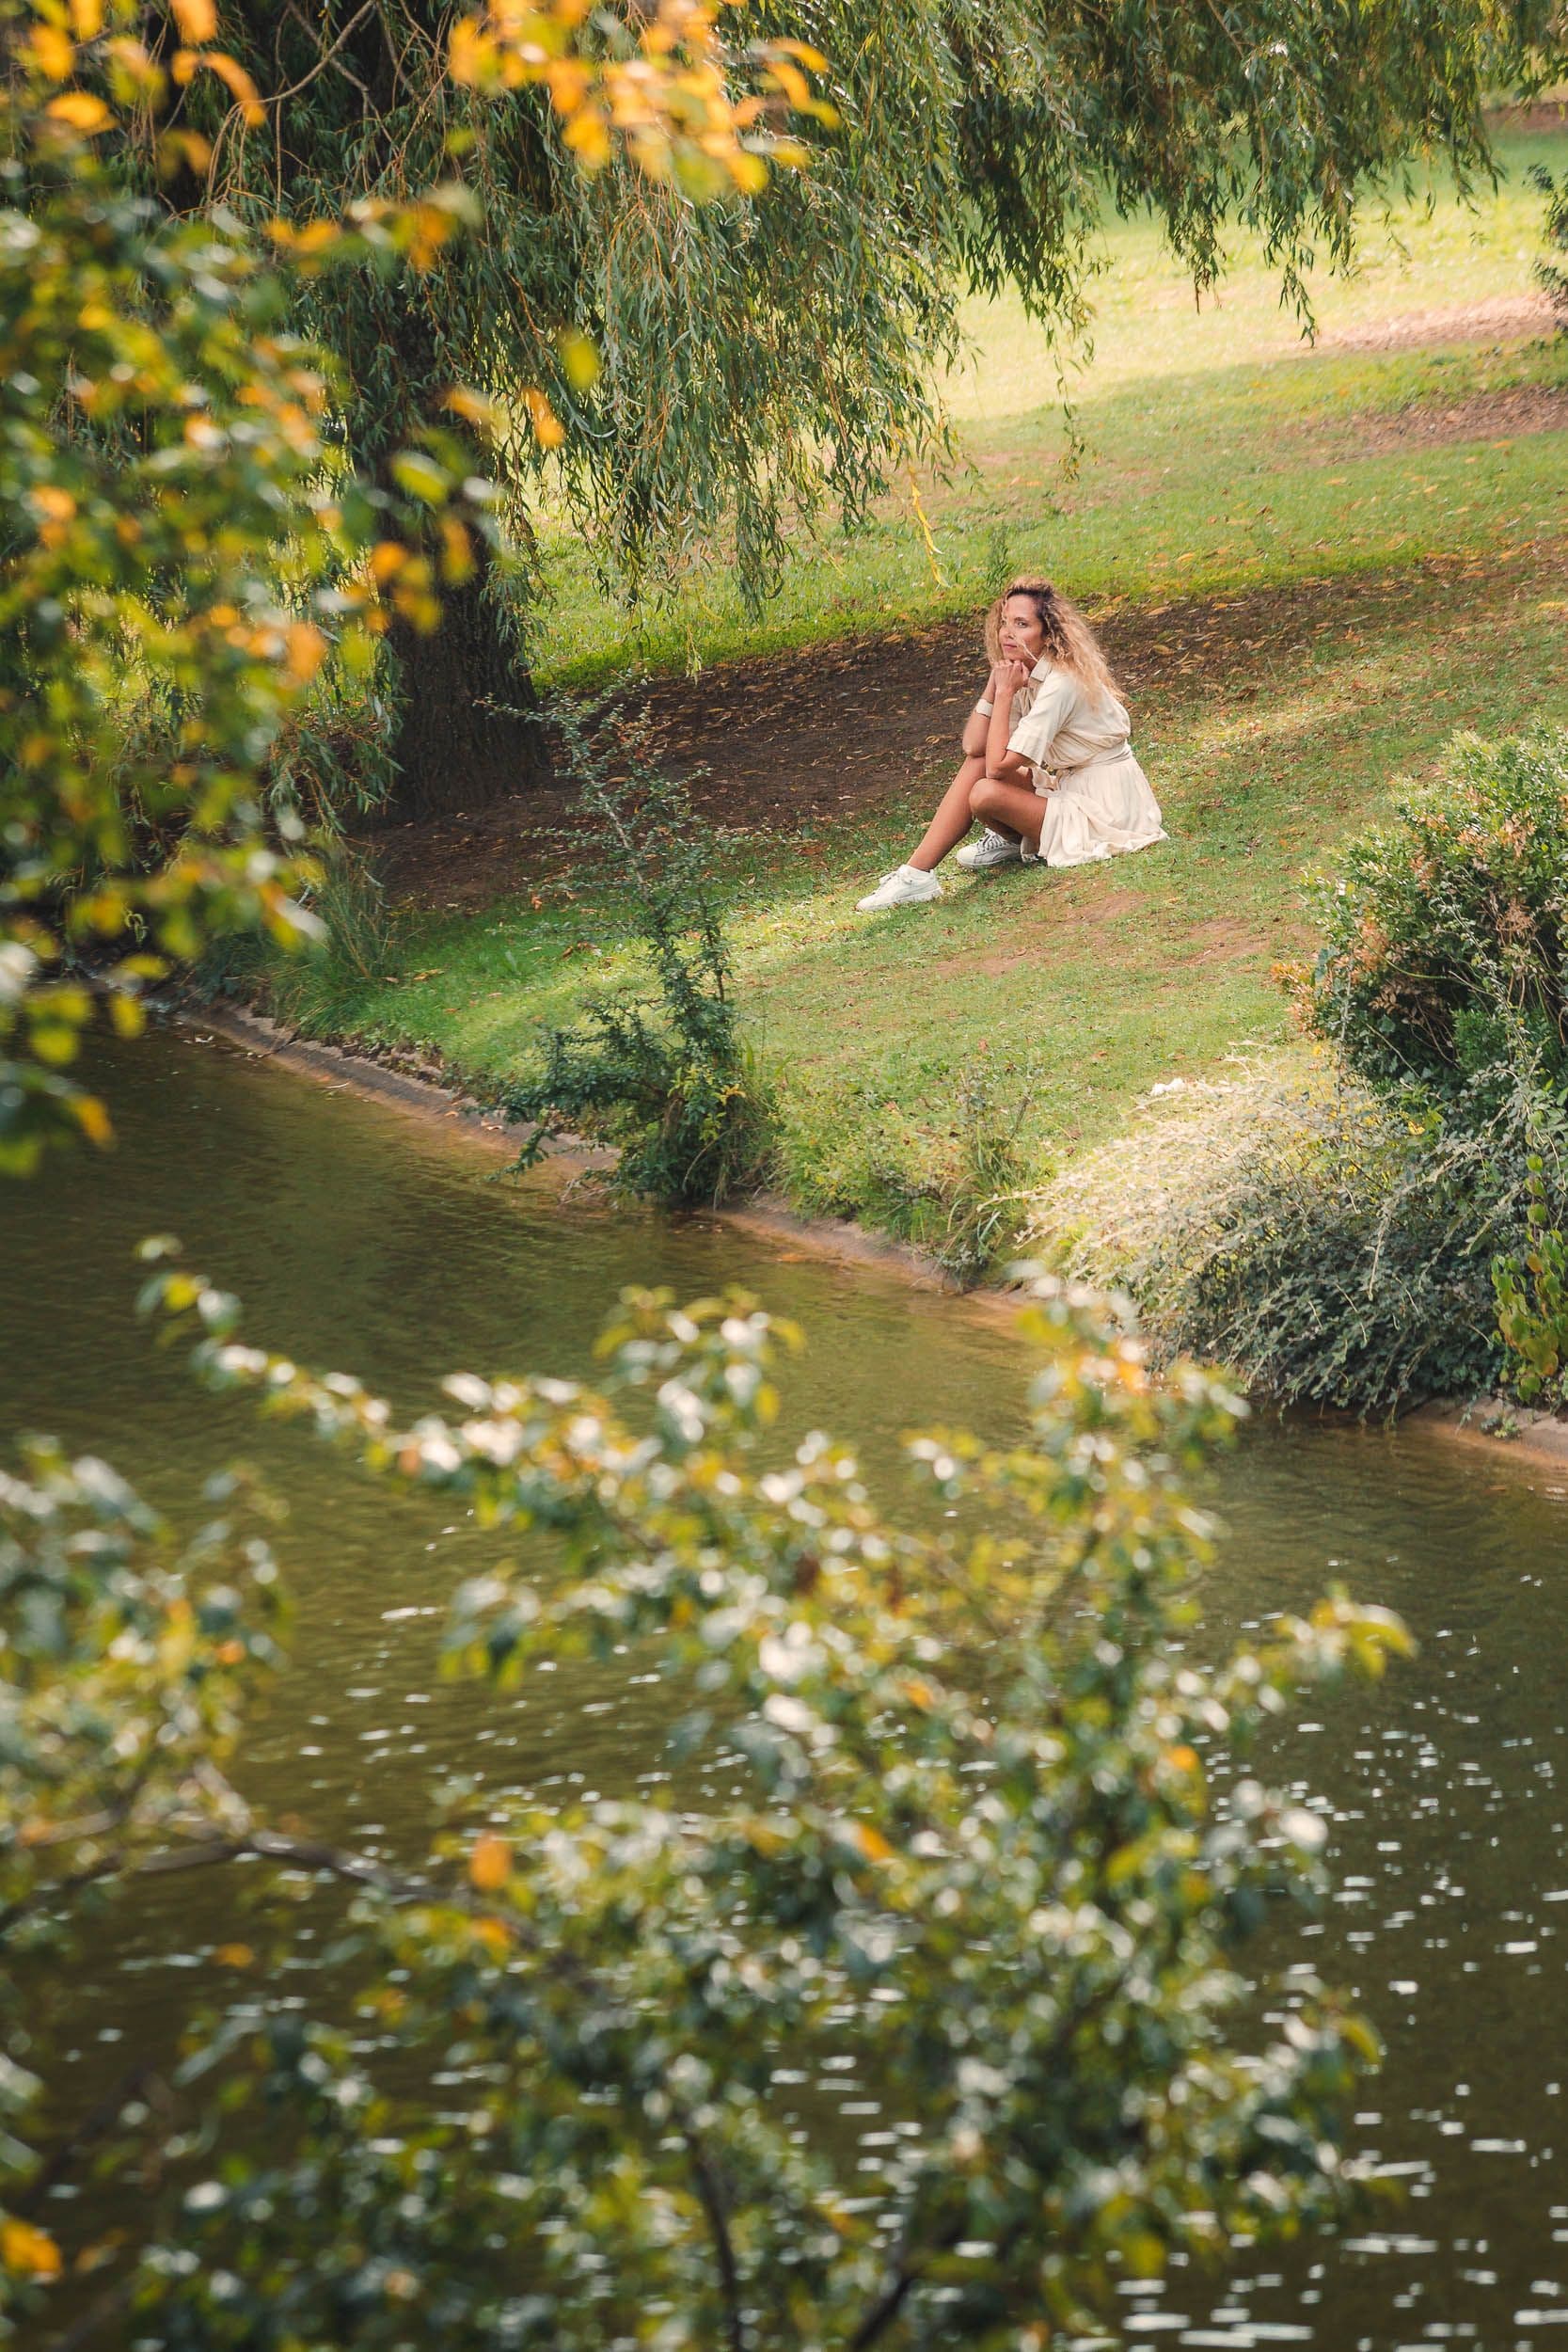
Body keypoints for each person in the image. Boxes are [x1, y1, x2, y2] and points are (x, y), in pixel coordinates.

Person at [854, 579, 1166, 912]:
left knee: (986, 792)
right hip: (1070, 787)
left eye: (1021, 624)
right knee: (977, 769)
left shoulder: (1062, 683)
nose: (1007, 633)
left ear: (1048, 635)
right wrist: (994, 685)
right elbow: (974, 746)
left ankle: (919, 876)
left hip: (1107, 806)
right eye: (1005, 622)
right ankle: (922, 872)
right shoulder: (1025, 673)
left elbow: (997, 767)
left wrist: (1004, 695)